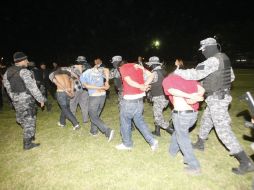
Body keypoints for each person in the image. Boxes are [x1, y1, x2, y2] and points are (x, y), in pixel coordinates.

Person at [174, 37, 254, 174]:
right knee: (206, 120)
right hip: (218, 97)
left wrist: (178, 72)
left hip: (218, 99)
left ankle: (245, 161)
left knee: (223, 130)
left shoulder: (213, 60)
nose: (203, 52)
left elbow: (195, 74)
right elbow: (232, 77)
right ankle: (200, 143)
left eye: (203, 50)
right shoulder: (224, 58)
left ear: (207, 48)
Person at [162, 59, 205, 175]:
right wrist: (196, 97)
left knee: (183, 138)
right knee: (179, 132)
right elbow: (202, 89)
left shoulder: (168, 79)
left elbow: (172, 90)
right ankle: (172, 152)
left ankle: (194, 166)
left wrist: (189, 96)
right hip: (193, 115)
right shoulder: (189, 78)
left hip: (182, 115)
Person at [3, 52, 45, 150]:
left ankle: (29, 134)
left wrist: (13, 97)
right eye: (26, 60)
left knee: (22, 118)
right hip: (26, 99)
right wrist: (40, 99)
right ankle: (27, 144)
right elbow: (32, 87)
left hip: (16, 100)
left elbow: (7, 87)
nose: (27, 62)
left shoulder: (7, 72)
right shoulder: (24, 72)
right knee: (30, 119)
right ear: (22, 61)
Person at [115, 61, 158, 151]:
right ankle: (152, 141)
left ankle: (127, 144)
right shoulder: (137, 66)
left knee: (125, 122)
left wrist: (140, 86)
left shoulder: (123, 68)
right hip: (140, 100)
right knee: (139, 121)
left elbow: (128, 80)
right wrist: (144, 85)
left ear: (119, 67)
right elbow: (152, 75)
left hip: (129, 101)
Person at [80, 58, 114, 142]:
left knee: (93, 116)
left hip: (94, 96)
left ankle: (107, 131)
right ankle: (93, 131)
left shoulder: (84, 74)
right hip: (103, 96)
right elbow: (106, 69)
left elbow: (87, 86)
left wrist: (102, 86)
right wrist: (107, 82)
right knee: (96, 114)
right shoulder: (98, 71)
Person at [146, 56, 174, 136]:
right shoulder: (164, 71)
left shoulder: (154, 73)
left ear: (153, 64)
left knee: (158, 117)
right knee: (157, 113)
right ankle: (157, 131)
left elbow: (149, 83)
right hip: (165, 96)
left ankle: (172, 131)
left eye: (150, 65)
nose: (149, 66)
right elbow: (159, 83)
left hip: (159, 97)